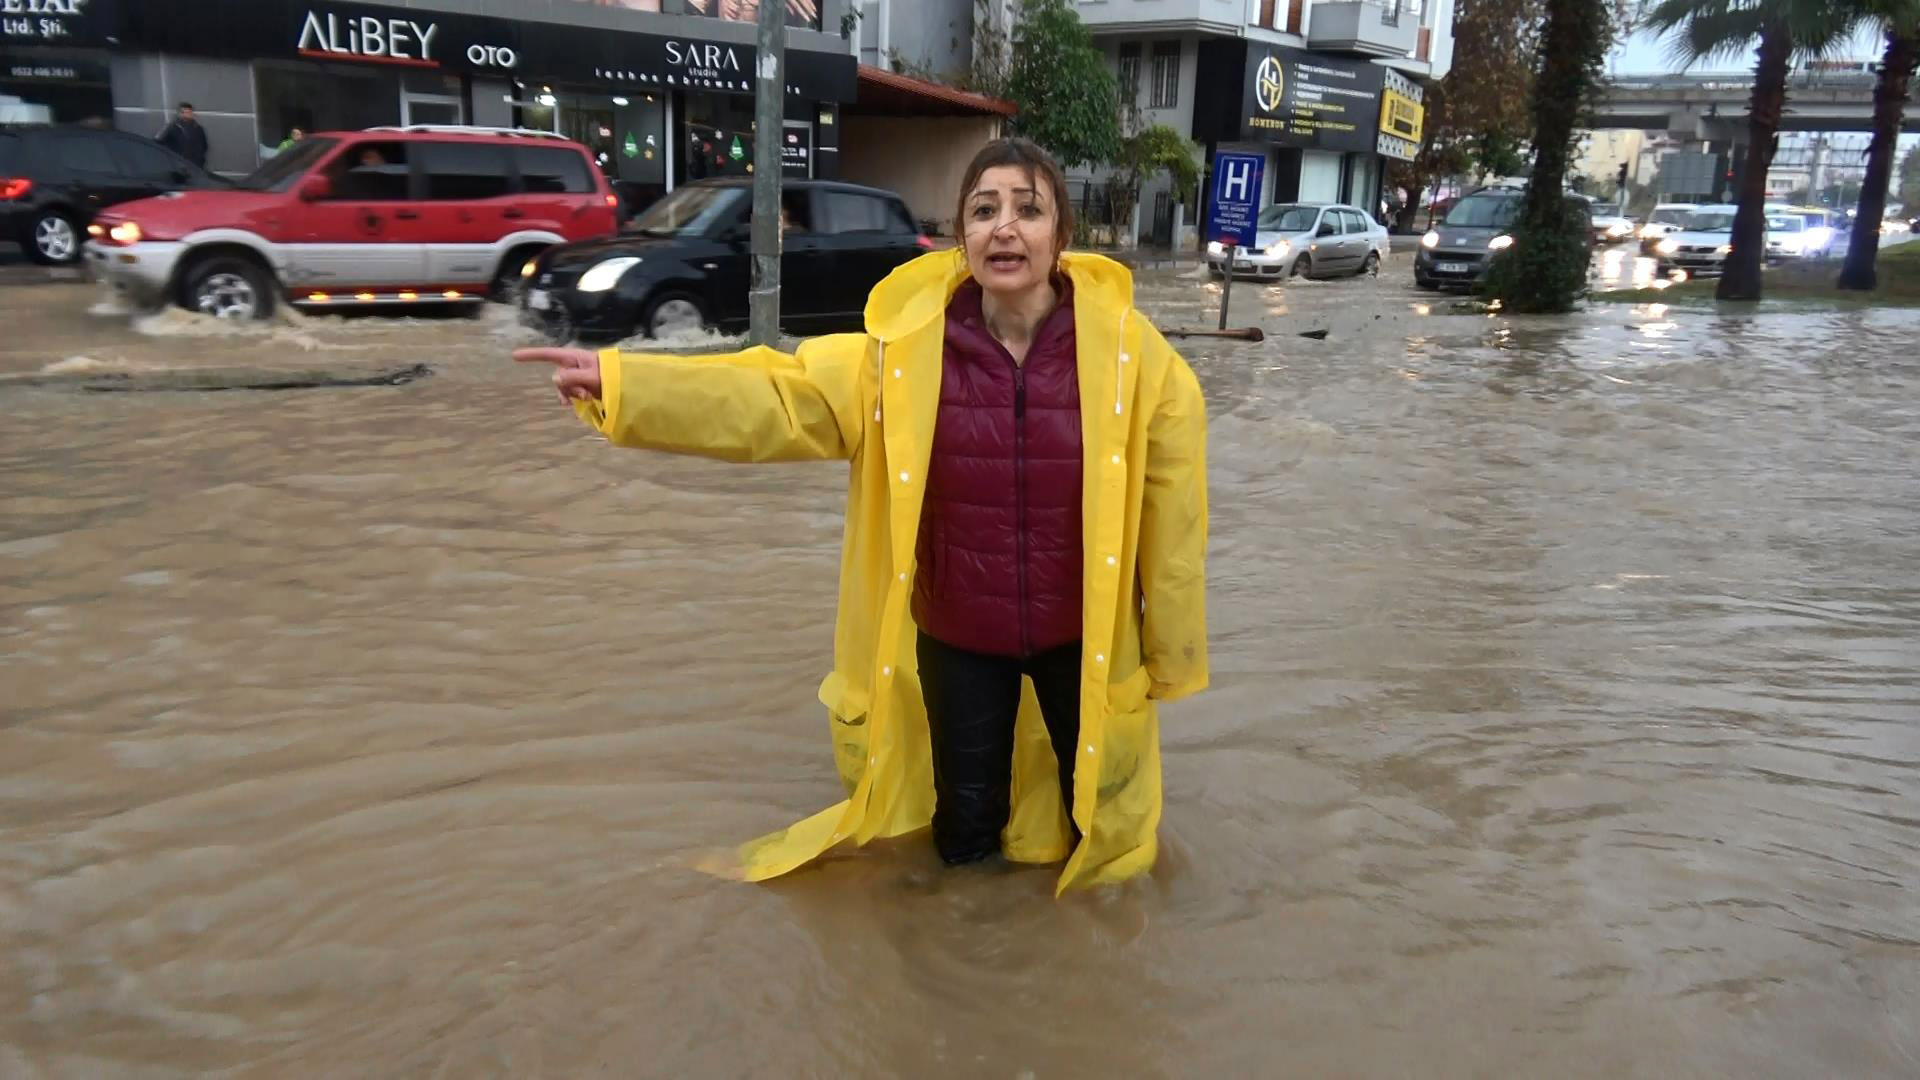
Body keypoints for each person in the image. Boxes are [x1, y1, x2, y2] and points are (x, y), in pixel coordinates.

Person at [515, 138, 1210, 893]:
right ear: (961, 237)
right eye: (983, 211)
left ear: (1061, 236)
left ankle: (1087, 981)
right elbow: (779, 396)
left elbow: (1174, 519)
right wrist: (625, 383)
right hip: (958, 639)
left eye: (1028, 209)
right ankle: (963, 971)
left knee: (1100, 826)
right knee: (964, 833)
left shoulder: (1131, 361)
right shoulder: (904, 354)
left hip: (1085, 640)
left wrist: (1172, 653)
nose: (1004, 228)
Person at [156, 102, 208, 168]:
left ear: (192, 114)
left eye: (188, 113)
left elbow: (204, 146)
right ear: (179, 113)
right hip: (177, 166)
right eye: (183, 112)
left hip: (195, 166)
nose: (185, 115)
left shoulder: (198, 129)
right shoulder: (170, 127)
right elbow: (158, 143)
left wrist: (199, 160)